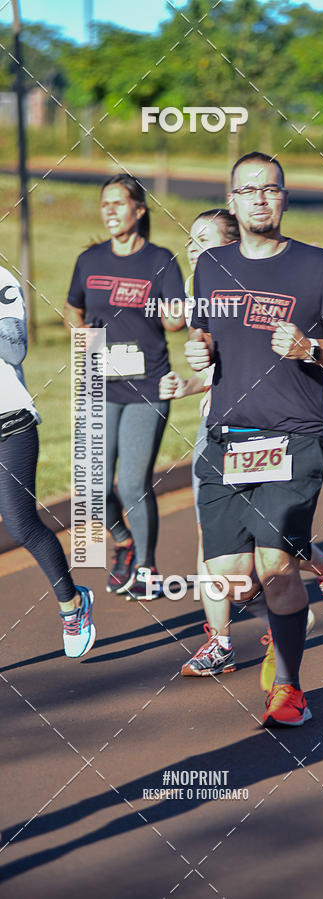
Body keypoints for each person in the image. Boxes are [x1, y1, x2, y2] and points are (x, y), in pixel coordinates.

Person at [185, 151, 323, 726]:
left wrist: (311, 348)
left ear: (284, 198)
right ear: (232, 199)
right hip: (226, 439)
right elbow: (205, 336)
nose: (260, 198)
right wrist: (198, 354)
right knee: (234, 581)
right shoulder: (211, 265)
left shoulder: (316, 268)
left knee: (274, 565)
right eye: (248, 189)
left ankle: (289, 688)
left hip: (293, 435)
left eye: (271, 189)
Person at [159, 210, 323, 678]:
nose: (193, 248)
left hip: (278, 430)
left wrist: (308, 347)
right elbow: (212, 356)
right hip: (220, 435)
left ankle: (314, 574)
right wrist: (187, 381)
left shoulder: (268, 281)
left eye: (203, 239)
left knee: (271, 555)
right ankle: (225, 639)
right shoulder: (203, 282)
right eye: (190, 239)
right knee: (223, 557)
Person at [63, 173, 186, 600]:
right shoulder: (90, 260)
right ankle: (123, 541)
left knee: (132, 484)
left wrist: (174, 312)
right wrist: (79, 332)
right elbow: (71, 307)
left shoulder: (161, 261)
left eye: (119, 203)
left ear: (139, 210)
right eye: (105, 204)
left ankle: (148, 569)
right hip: (99, 384)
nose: (110, 211)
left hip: (147, 385)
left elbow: (175, 320)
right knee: (90, 487)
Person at [0, 267, 94, 657]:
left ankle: (72, 604)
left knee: (20, 524)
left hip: (10, 424)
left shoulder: (1, 280)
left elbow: (14, 349)